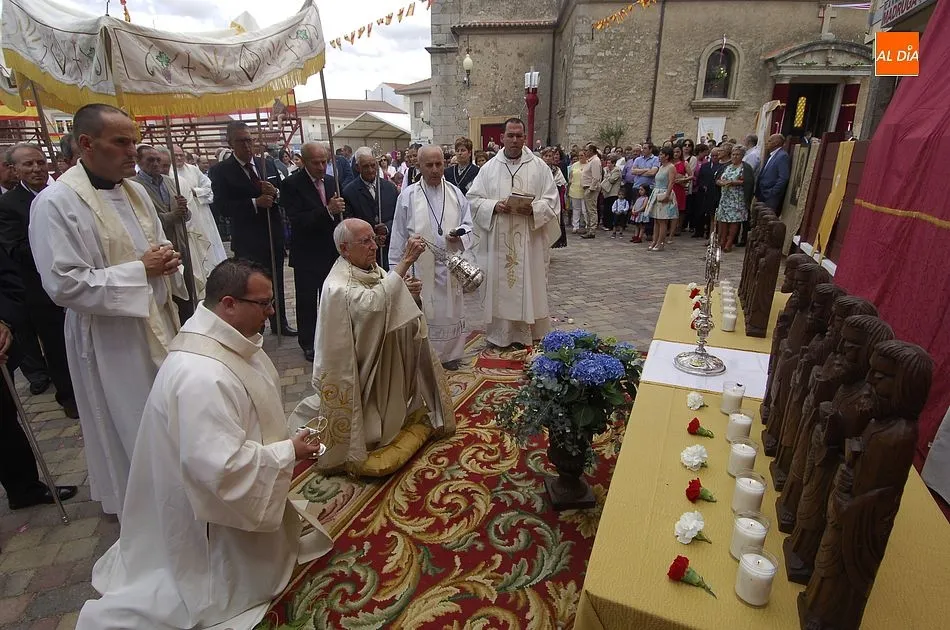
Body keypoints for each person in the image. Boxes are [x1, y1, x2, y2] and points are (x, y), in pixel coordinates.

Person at [77, 259, 332, 630]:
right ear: (228, 304)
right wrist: (289, 451)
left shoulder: (224, 340)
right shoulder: (202, 376)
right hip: (206, 530)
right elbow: (221, 471)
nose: (272, 312)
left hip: (210, 492)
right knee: (216, 584)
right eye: (263, 304)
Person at [29, 103, 186, 517]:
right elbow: (63, 284)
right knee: (130, 420)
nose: (132, 150)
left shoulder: (135, 192)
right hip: (110, 336)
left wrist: (167, 260)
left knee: (168, 413)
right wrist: (141, 270)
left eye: (133, 141)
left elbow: (154, 244)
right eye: (121, 142)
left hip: (156, 318)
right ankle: (144, 506)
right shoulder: (56, 203)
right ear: (86, 143)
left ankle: (179, 490)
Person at [290, 219, 455, 471]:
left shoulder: (372, 269)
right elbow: (373, 306)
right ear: (344, 249)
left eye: (374, 239)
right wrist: (405, 262)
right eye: (365, 241)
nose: (374, 246)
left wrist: (408, 294)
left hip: (383, 360)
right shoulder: (337, 285)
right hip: (358, 367)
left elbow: (386, 296)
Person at [466, 117, 560, 348]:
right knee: (501, 286)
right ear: (502, 138)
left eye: (519, 135)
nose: (515, 140)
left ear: (525, 138)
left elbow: (552, 200)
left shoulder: (539, 167)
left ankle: (530, 332)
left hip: (530, 240)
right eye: (510, 135)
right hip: (498, 241)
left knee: (530, 283)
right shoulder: (489, 168)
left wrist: (533, 209)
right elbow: (474, 199)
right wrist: (494, 206)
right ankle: (502, 334)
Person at [0, 143, 79, 418]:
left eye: (40, 162)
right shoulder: (9, 205)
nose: (36, 169)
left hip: (77, 279)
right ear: (15, 169)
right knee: (57, 346)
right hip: (41, 290)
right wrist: (55, 245)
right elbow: (15, 248)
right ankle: (68, 397)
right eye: (28, 164)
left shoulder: (64, 193)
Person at [390, 145, 474, 369]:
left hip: (450, 266)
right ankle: (427, 357)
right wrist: (397, 270)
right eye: (429, 165)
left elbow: (469, 225)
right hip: (421, 268)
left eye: (439, 164)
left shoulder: (455, 193)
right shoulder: (408, 197)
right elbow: (398, 234)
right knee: (426, 311)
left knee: (450, 311)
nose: (435, 169)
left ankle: (451, 354)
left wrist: (460, 235)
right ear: (418, 166)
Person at [210, 121, 296, 337]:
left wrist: (275, 193)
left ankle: (280, 322)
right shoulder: (221, 171)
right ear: (230, 143)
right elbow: (222, 207)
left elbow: (283, 195)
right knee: (250, 284)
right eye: (241, 141)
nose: (247, 146)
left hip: (272, 234)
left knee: (275, 281)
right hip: (247, 238)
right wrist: (254, 203)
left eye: (249, 140)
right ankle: (255, 326)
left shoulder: (267, 164)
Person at [281, 142, 345, 361]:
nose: (321, 167)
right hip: (307, 252)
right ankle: (308, 342)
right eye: (316, 163)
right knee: (307, 301)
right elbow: (297, 219)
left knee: (331, 297)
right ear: (304, 161)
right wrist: (327, 210)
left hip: (331, 251)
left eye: (324, 162)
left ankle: (332, 337)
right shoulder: (292, 184)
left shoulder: (332, 181)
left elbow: (340, 213)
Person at [135, 145, 197, 321]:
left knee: (187, 293)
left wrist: (184, 210)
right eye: (150, 160)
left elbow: (185, 216)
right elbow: (144, 220)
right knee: (167, 296)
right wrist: (172, 215)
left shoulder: (170, 182)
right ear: (139, 161)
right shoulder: (135, 186)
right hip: (156, 250)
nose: (155, 164)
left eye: (158, 160)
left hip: (180, 245)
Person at [172, 144, 227, 301]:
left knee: (208, 245)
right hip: (186, 218)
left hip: (201, 213)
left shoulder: (193, 170)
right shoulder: (168, 172)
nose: (179, 158)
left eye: (181, 155)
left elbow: (208, 187)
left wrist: (195, 191)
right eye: (175, 155)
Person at [343, 147, 398, 271]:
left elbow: (399, 217)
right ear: (357, 167)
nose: (370, 170)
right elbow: (350, 223)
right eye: (365, 166)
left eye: (373, 165)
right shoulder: (349, 192)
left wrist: (386, 228)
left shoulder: (390, 188)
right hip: (364, 255)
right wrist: (372, 236)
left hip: (389, 251)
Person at [645, 146, 678, 252]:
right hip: (656, 192)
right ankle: (654, 241)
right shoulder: (661, 166)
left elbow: (671, 182)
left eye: (661, 154)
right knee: (656, 219)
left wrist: (667, 195)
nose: (659, 156)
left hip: (664, 192)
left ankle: (661, 243)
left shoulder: (671, 167)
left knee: (662, 220)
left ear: (667, 156)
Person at [716, 145, 748, 252]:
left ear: (742, 156)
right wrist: (720, 182)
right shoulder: (728, 167)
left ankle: (729, 243)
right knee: (723, 220)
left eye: (737, 154)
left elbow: (746, 181)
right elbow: (719, 178)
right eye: (733, 154)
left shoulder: (744, 167)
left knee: (734, 221)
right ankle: (722, 240)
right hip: (725, 198)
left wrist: (733, 182)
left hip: (737, 199)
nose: (735, 156)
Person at [755, 133, 790, 212]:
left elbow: (783, 178)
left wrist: (772, 192)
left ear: (776, 143)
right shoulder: (771, 155)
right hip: (762, 194)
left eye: (769, 141)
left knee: (766, 216)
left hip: (770, 197)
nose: (767, 143)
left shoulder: (782, 156)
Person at [541, 147, 568, 248]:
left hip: (553, 197)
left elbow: (561, 183)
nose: (548, 158)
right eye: (546, 156)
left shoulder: (556, 170)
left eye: (550, 156)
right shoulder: (538, 168)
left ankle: (553, 241)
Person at [579, 144, 602, 238]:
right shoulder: (590, 161)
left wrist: (591, 189)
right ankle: (589, 228)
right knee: (588, 210)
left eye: (586, 150)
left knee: (591, 210)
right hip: (587, 187)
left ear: (591, 151)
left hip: (591, 188)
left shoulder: (595, 161)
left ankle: (592, 230)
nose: (585, 152)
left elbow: (596, 177)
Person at [600, 155, 622, 233]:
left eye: (610, 163)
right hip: (606, 192)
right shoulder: (607, 170)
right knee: (606, 209)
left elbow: (612, 180)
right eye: (607, 163)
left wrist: (607, 175)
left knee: (611, 210)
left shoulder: (616, 170)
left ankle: (611, 225)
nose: (608, 165)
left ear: (613, 163)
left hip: (613, 193)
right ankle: (606, 224)